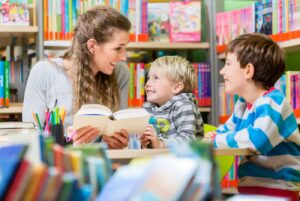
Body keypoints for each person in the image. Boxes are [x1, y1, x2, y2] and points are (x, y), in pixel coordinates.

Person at [204, 33, 300, 201]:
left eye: (227, 64)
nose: (221, 70)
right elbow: (223, 132)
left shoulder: (273, 103)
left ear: (248, 70)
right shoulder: (242, 105)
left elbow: (256, 140)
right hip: (251, 189)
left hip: (277, 191)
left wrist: (217, 140)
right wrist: (214, 137)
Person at [23, 6, 131, 149]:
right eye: (118, 48)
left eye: (125, 48)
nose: (124, 57)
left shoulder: (121, 73)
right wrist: (68, 144)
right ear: (92, 46)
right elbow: (30, 140)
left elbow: (117, 132)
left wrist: (116, 142)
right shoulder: (44, 72)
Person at [140, 56, 204, 149]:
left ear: (176, 87)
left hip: (187, 161)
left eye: (156, 78)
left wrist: (161, 144)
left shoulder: (184, 106)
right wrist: (147, 144)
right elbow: (152, 149)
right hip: (162, 160)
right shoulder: (148, 108)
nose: (148, 83)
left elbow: (189, 141)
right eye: (148, 78)